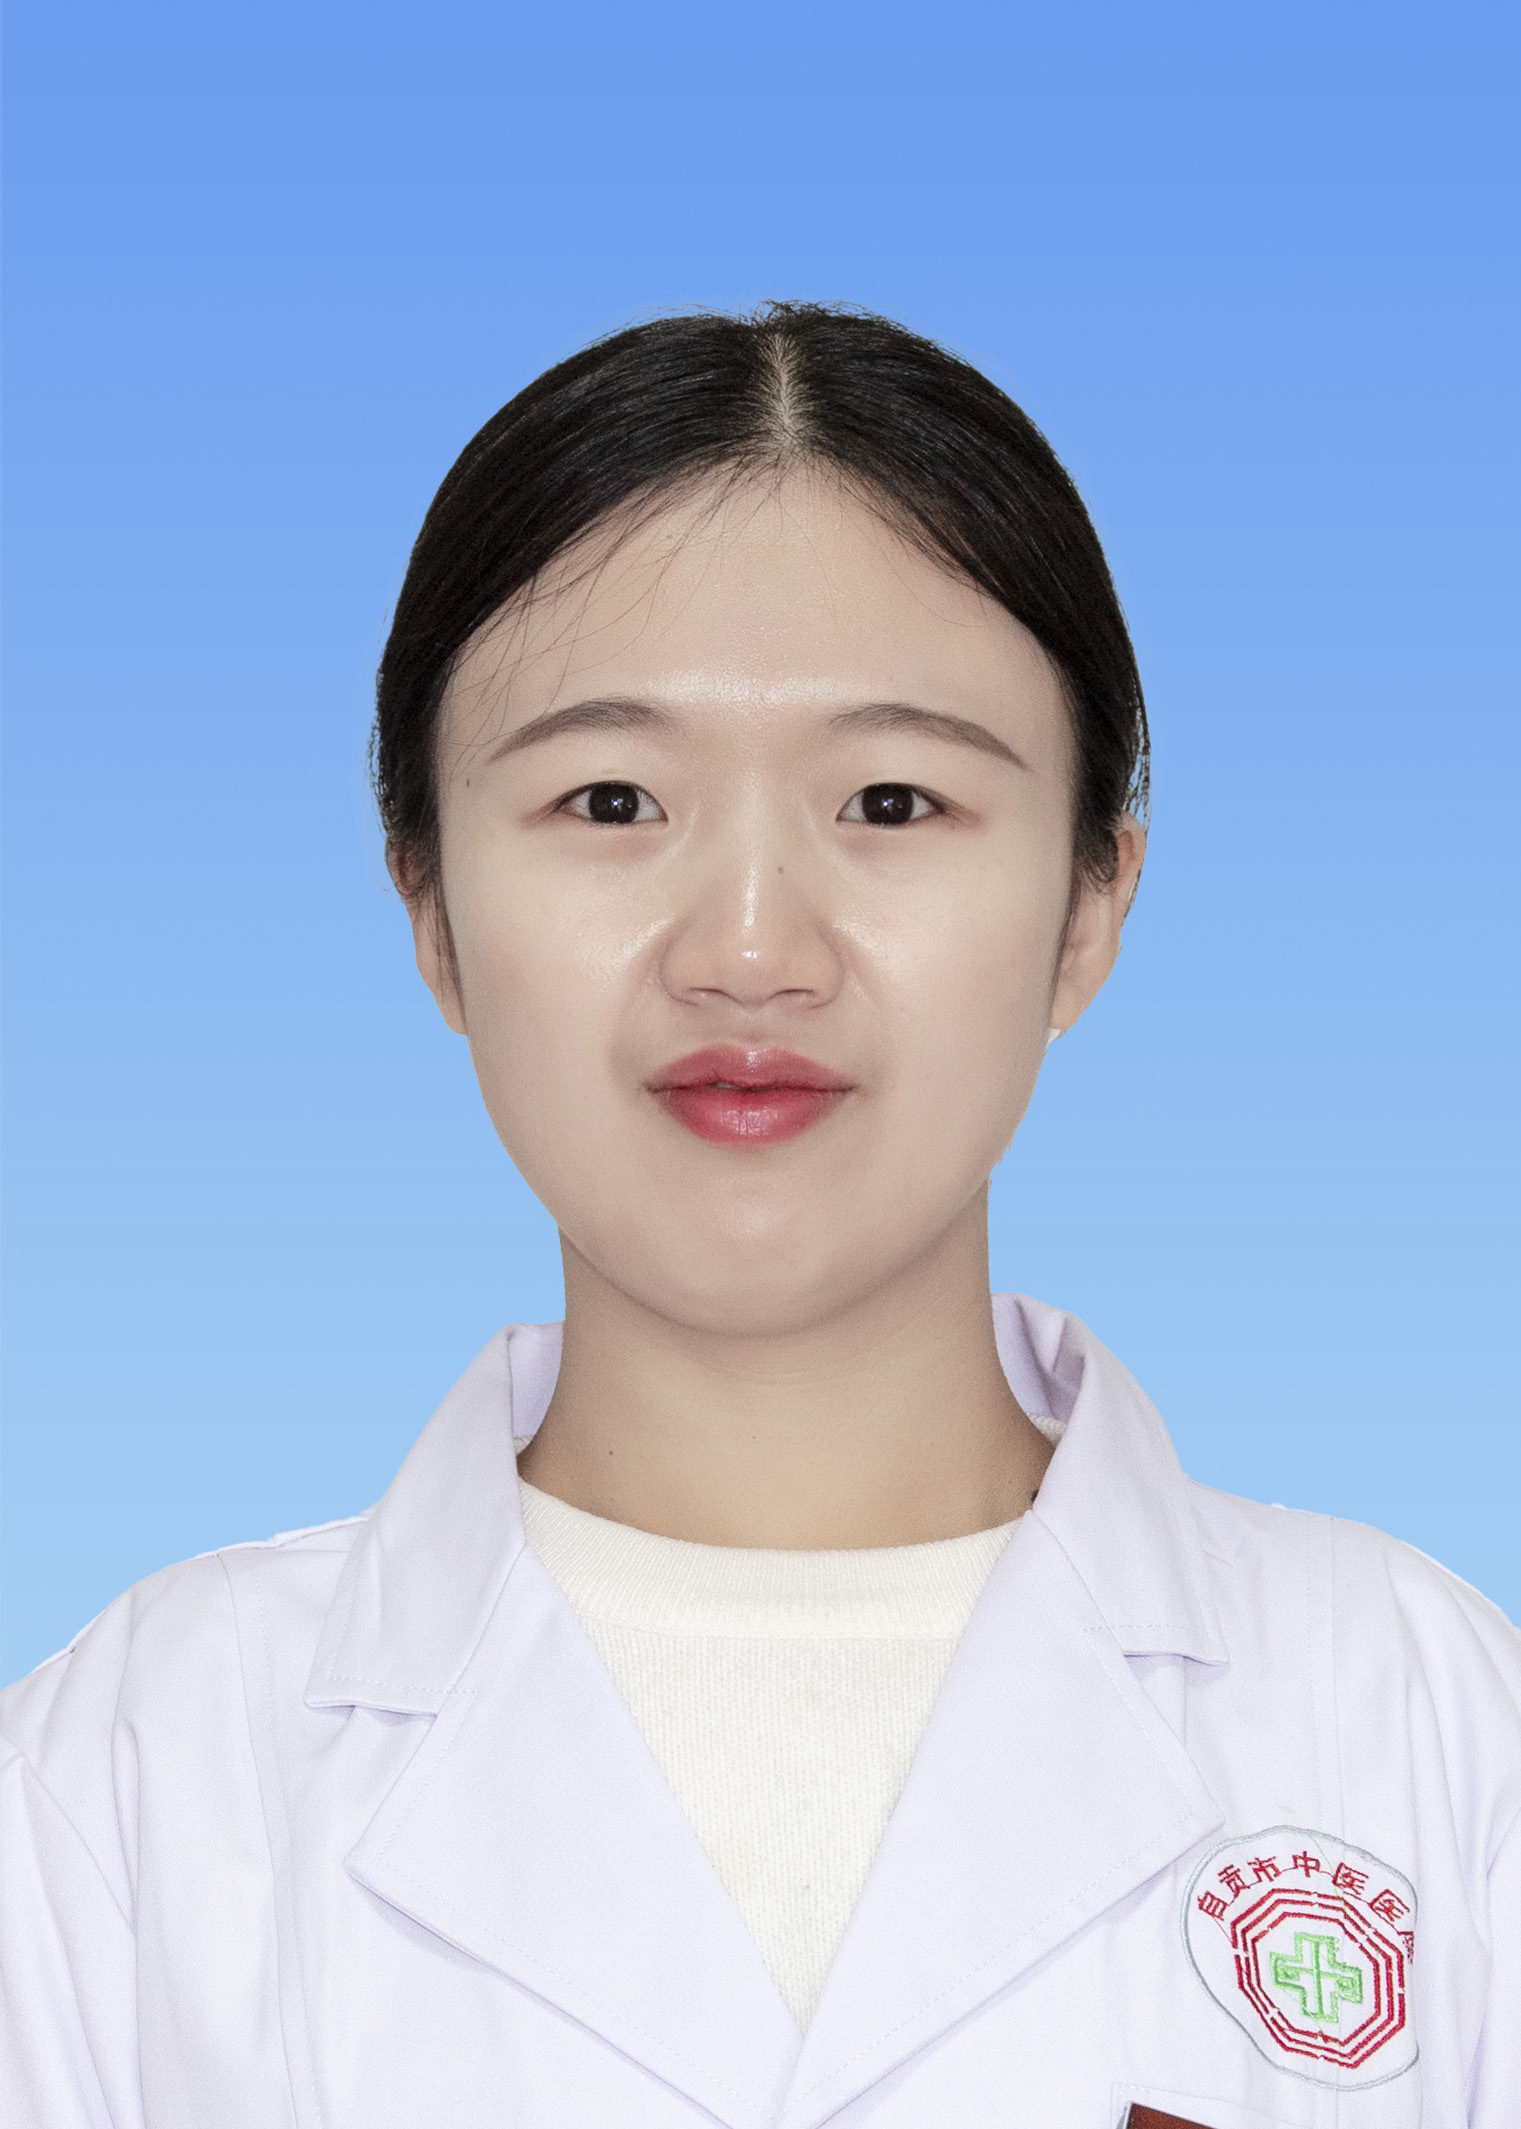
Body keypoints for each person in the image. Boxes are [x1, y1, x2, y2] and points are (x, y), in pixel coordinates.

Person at [2, 304, 1516, 2129]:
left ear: (1089, 907)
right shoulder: (131, 1778)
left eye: (890, 800)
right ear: (428, 909)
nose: (746, 950)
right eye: (609, 800)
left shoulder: (1428, 1727)